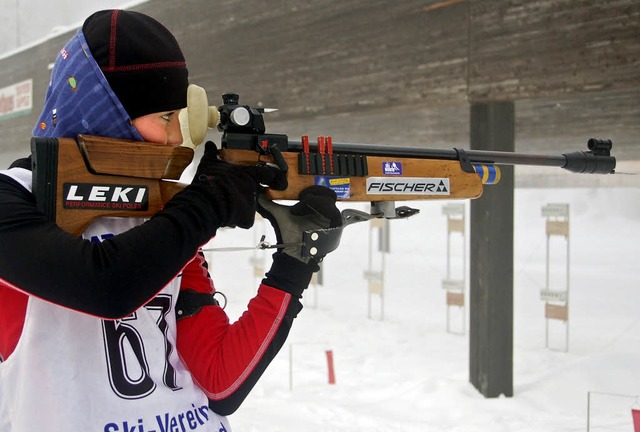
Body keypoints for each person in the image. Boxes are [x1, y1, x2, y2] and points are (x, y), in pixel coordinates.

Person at [0, 9, 342, 432]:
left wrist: (294, 264)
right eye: (164, 118)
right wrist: (205, 205)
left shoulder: (158, 212)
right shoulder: (12, 199)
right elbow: (105, 285)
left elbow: (220, 384)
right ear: (104, 111)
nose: (176, 138)